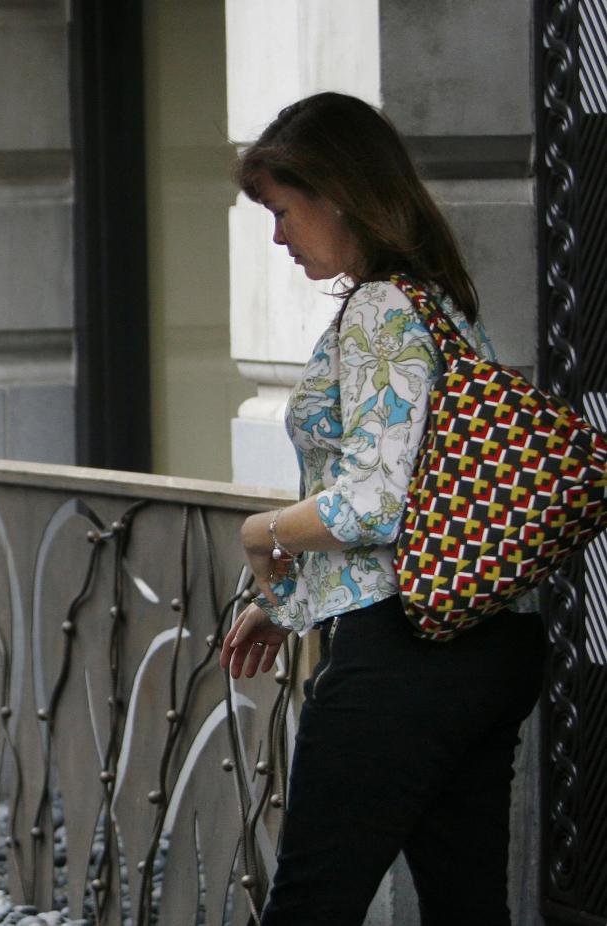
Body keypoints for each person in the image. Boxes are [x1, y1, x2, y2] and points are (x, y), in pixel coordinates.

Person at [217, 92, 544, 925]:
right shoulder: (443, 304)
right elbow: (430, 496)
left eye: (284, 212)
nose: (279, 237)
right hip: (485, 641)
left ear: (336, 193)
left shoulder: (380, 310)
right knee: (468, 907)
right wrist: (283, 604)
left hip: (402, 655)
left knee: (311, 906)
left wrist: (263, 532)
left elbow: (372, 503)